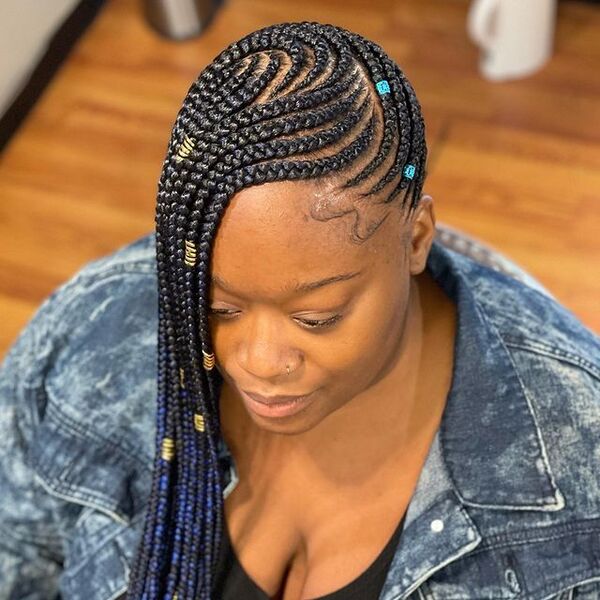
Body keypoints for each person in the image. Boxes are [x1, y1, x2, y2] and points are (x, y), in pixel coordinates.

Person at [0, 21, 599, 600]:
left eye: (316, 317)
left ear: (416, 239)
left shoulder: (579, 473)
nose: (258, 362)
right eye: (218, 306)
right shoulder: (85, 336)